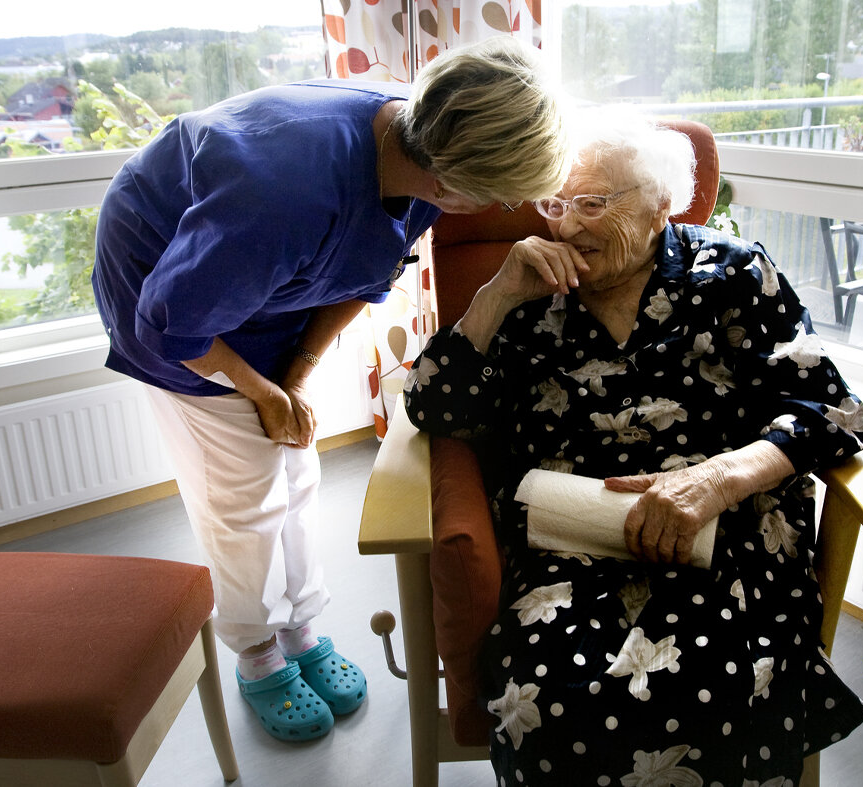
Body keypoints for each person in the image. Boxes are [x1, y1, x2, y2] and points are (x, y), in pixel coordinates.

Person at [91, 37, 571, 742]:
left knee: (295, 470)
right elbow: (173, 320)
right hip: (174, 297)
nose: (500, 206)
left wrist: (296, 374)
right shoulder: (282, 195)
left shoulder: (421, 145)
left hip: (257, 288)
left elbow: (366, 272)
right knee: (244, 496)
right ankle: (256, 651)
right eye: (496, 194)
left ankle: (300, 628)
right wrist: (258, 390)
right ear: (452, 179)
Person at [403, 113, 863, 784]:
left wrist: (716, 479)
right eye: (557, 204)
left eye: (591, 203)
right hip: (569, 546)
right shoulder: (532, 295)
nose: (566, 224)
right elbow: (434, 407)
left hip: (723, 537)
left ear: (659, 205)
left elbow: (832, 410)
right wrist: (495, 294)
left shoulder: (734, 275)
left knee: (726, 679)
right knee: (551, 694)